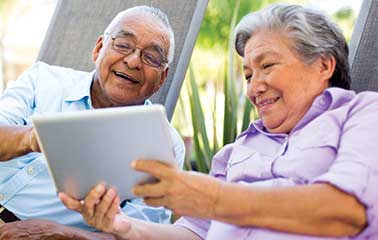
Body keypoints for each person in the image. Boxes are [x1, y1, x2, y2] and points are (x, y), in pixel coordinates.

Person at [61, 3, 378, 240]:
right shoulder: (236, 151)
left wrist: (213, 197)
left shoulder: (363, 114)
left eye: (267, 66)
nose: (254, 88)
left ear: (323, 64)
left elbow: (347, 211)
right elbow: (194, 233)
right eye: (249, 75)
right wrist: (123, 226)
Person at [0, 5, 185, 240]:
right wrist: (34, 138)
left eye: (151, 57)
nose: (133, 61)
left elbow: (142, 233)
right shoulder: (42, 79)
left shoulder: (165, 144)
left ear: (162, 78)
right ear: (99, 49)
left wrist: (66, 235)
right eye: (123, 45)